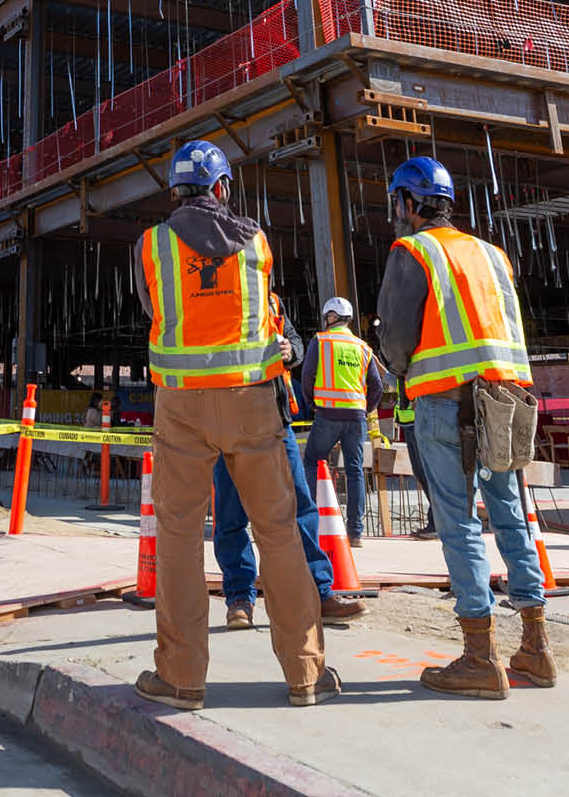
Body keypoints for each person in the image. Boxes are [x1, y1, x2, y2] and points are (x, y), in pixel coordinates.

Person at [132, 139, 333, 712]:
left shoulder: (151, 245)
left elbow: (155, 310)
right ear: (222, 188)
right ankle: (305, 675)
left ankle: (181, 678)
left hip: (183, 407)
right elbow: (263, 311)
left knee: (176, 538)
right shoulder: (258, 243)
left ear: (176, 192)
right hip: (252, 403)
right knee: (279, 534)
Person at [376, 155, 552, 698]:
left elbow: (397, 337)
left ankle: (480, 656)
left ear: (407, 203)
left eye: (398, 205)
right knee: (511, 514)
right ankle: (536, 647)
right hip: (506, 395)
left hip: (445, 400)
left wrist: (402, 370)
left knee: (458, 522)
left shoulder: (413, 250)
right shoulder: (493, 254)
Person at [212, 312, 368, 630]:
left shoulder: (272, 303)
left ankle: (318, 593)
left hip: (274, 420)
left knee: (300, 507)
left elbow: (294, 340)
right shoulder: (213, 296)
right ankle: (240, 600)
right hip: (226, 420)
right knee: (231, 516)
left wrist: (291, 351)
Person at [298, 296, 388, 545]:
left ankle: (311, 525)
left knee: (312, 462)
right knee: (355, 471)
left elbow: (307, 376)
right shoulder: (363, 347)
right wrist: (364, 408)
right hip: (356, 417)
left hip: (327, 414)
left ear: (331, 317)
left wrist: (313, 404)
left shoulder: (321, 341)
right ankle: (355, 533)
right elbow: (377, 387)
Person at [391, 386, 436, 538]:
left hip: (419, 420)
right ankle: (435, 522)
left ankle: (436, 523)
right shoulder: (403, 369)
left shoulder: (414, 366)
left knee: (427, 473)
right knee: (420, 473)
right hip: (409, 422)